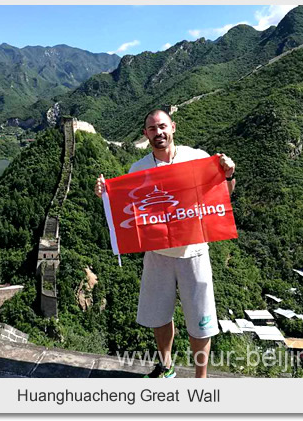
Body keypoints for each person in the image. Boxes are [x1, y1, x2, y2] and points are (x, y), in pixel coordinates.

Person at [94, 109, 236, 378]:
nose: (158, 133)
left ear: (173, 127)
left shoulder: (198, 158)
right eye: (151, 129)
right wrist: (106, 195)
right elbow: (128, 212)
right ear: (145, 134)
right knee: (159, 315)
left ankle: (201, 378)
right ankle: (166, 365)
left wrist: (228, 174)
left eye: (162, 127)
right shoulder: (138, 170)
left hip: (194, 251)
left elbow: (223, 196)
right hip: (157, 254)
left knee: (201, 319)